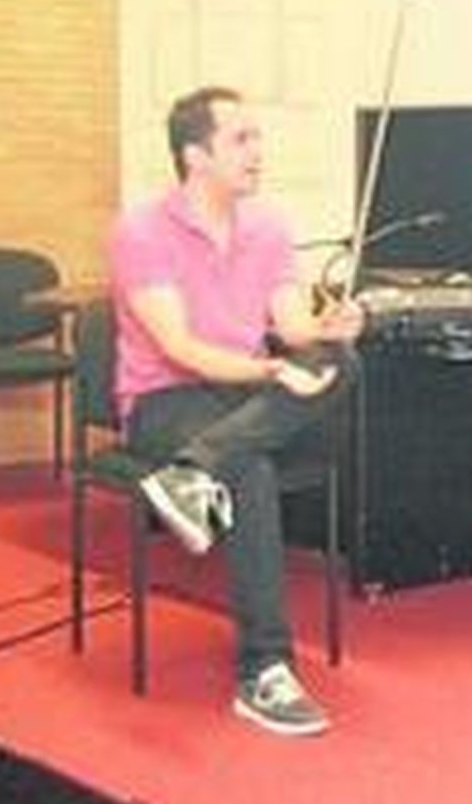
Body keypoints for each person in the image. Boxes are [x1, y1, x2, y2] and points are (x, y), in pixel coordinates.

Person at [110, 86, 364, 736]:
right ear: (195, 155)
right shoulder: (141, 230)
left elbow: (292, 327)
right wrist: (272, 370)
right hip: (163, 400)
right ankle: (264, 672)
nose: (259, 151)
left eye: (259, 137)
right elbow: (180, 349)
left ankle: (191, 475)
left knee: (344, 362)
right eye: (242, 139)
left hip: (240, 397)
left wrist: (331, 326)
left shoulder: (271, 225)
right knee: (246, 471)